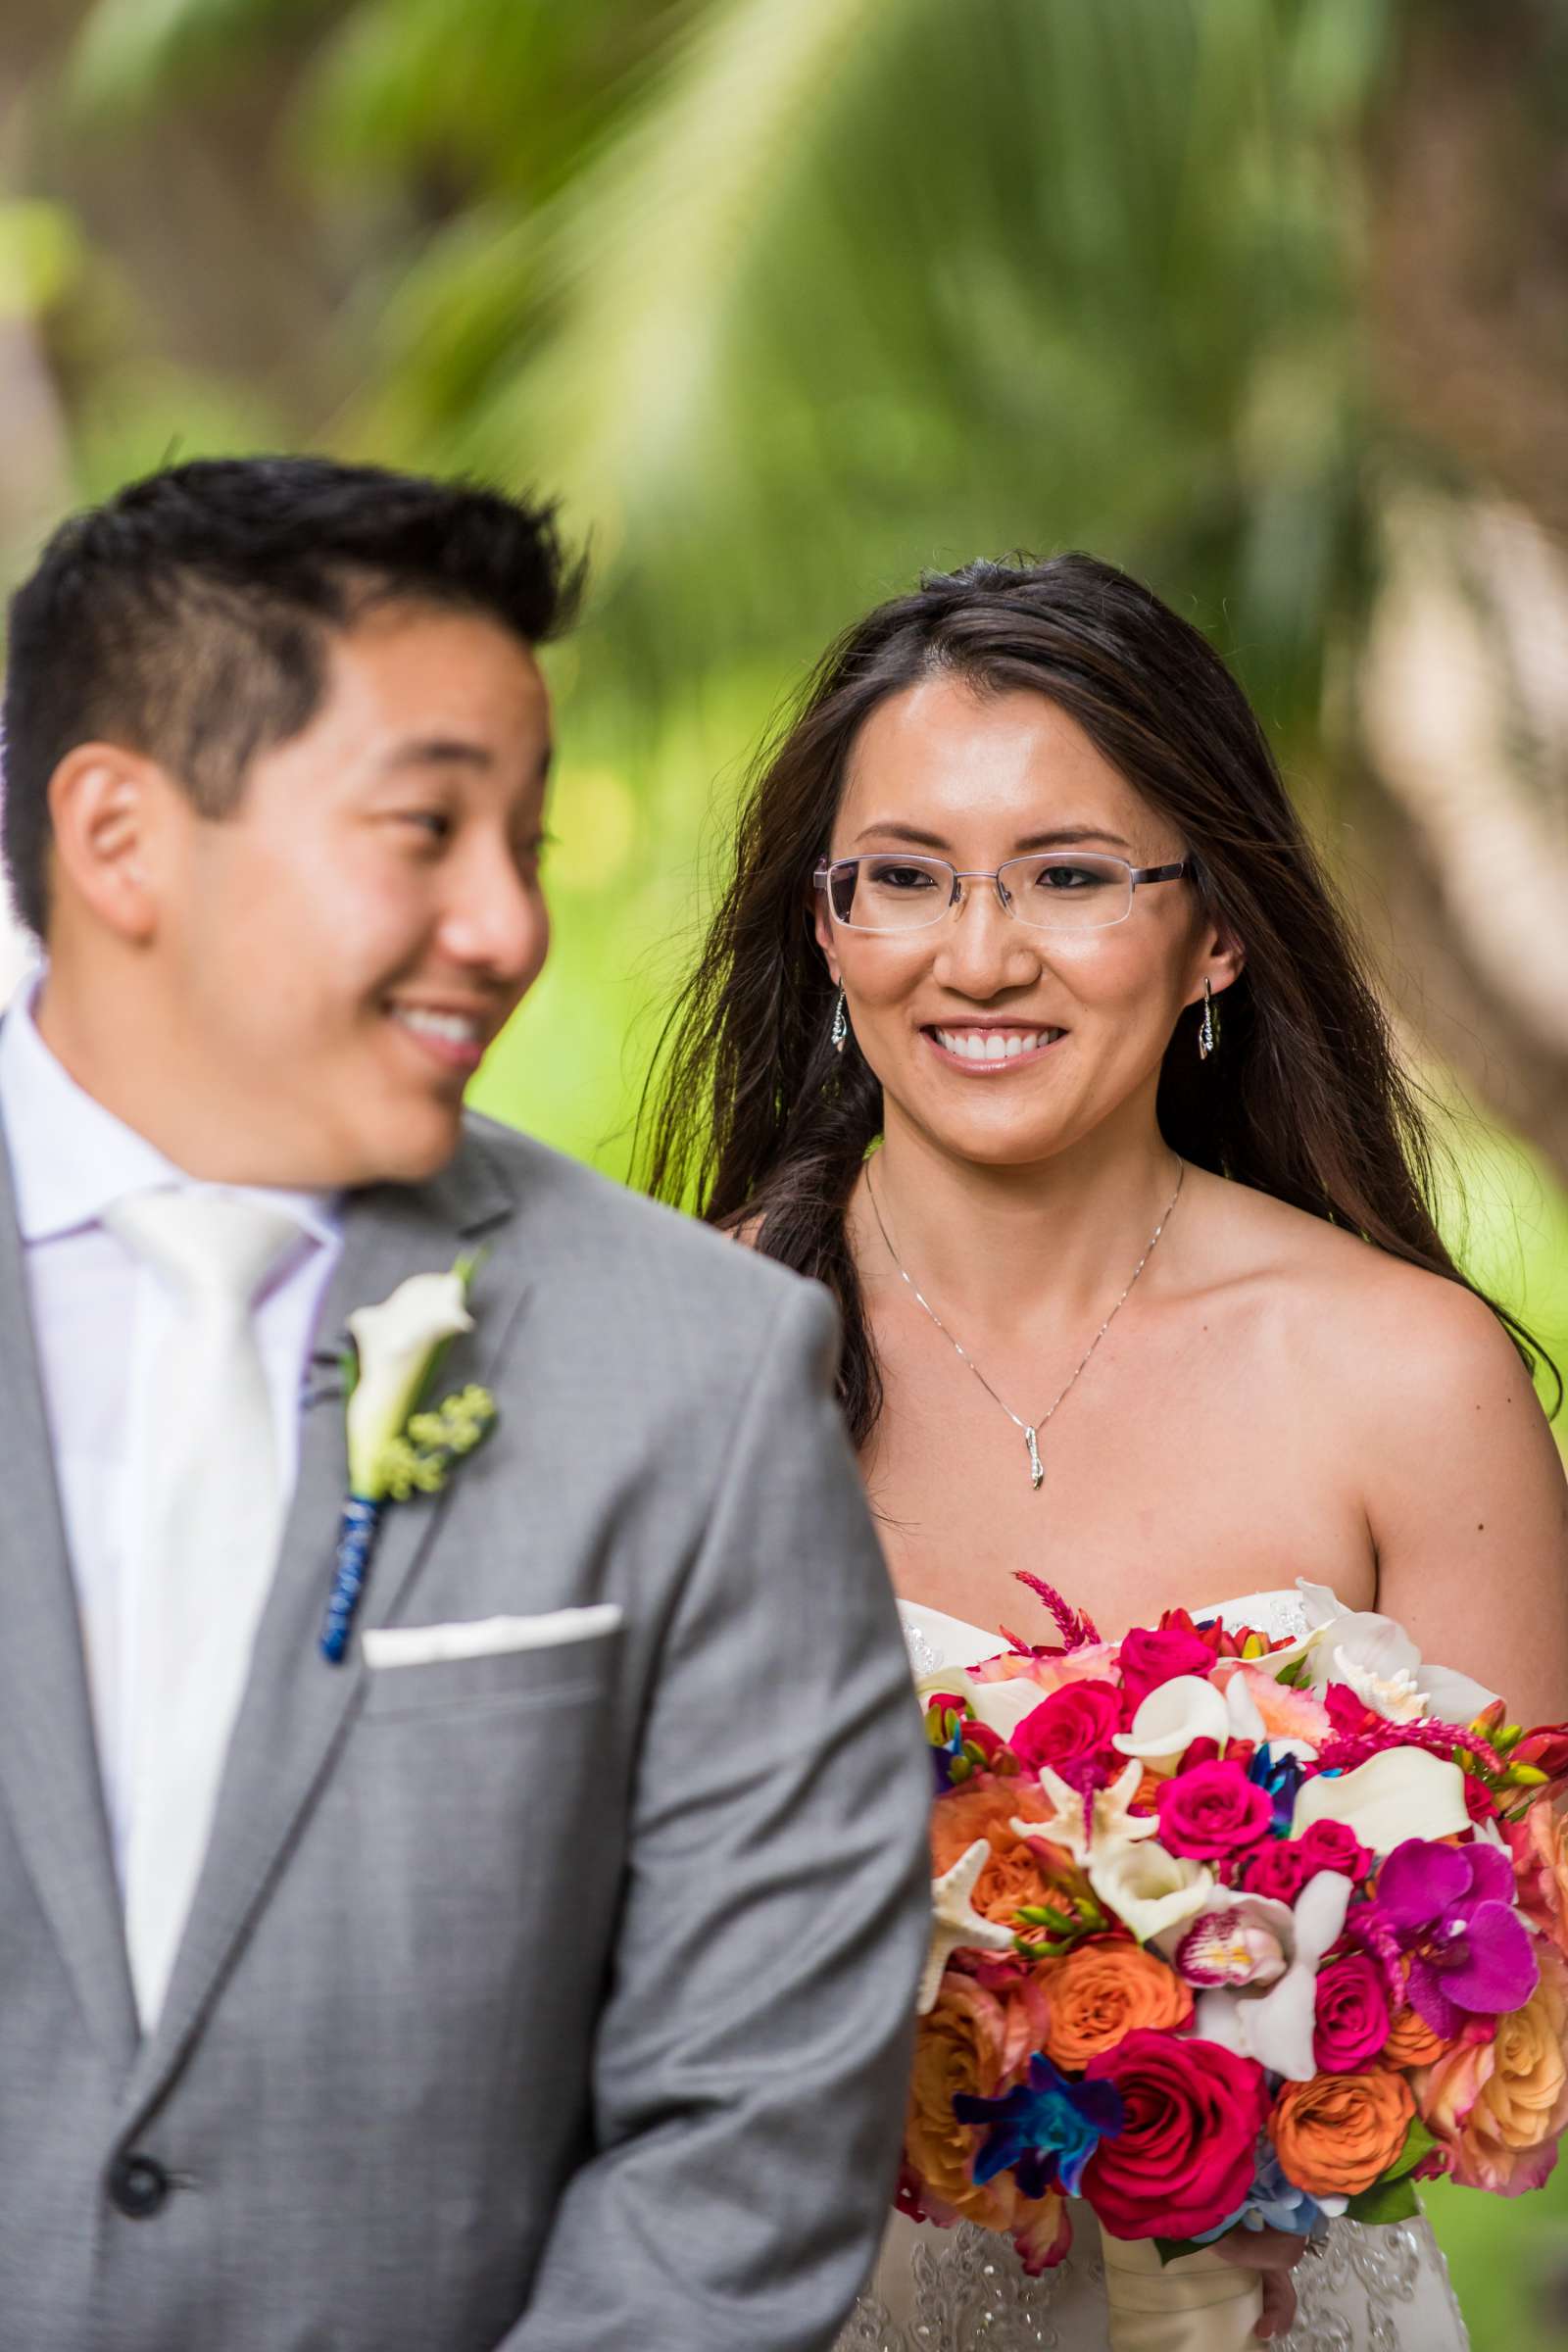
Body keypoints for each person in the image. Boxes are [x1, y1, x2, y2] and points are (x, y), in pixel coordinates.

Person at [0, 456, 932, 2351]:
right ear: (118, 837)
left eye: (526, 847)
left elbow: (749, 2141)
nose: (505, 927)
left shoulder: (702, 1365)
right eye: (424, 831)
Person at [643, 552, 1568, 2351]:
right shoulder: (680, 1361)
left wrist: (1271, 2107)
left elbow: (1527, 1970)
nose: (979, 956)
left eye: (1069, 877)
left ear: (1214, 927)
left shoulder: (1408, 1373)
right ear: (826, 929)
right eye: (902, 879)